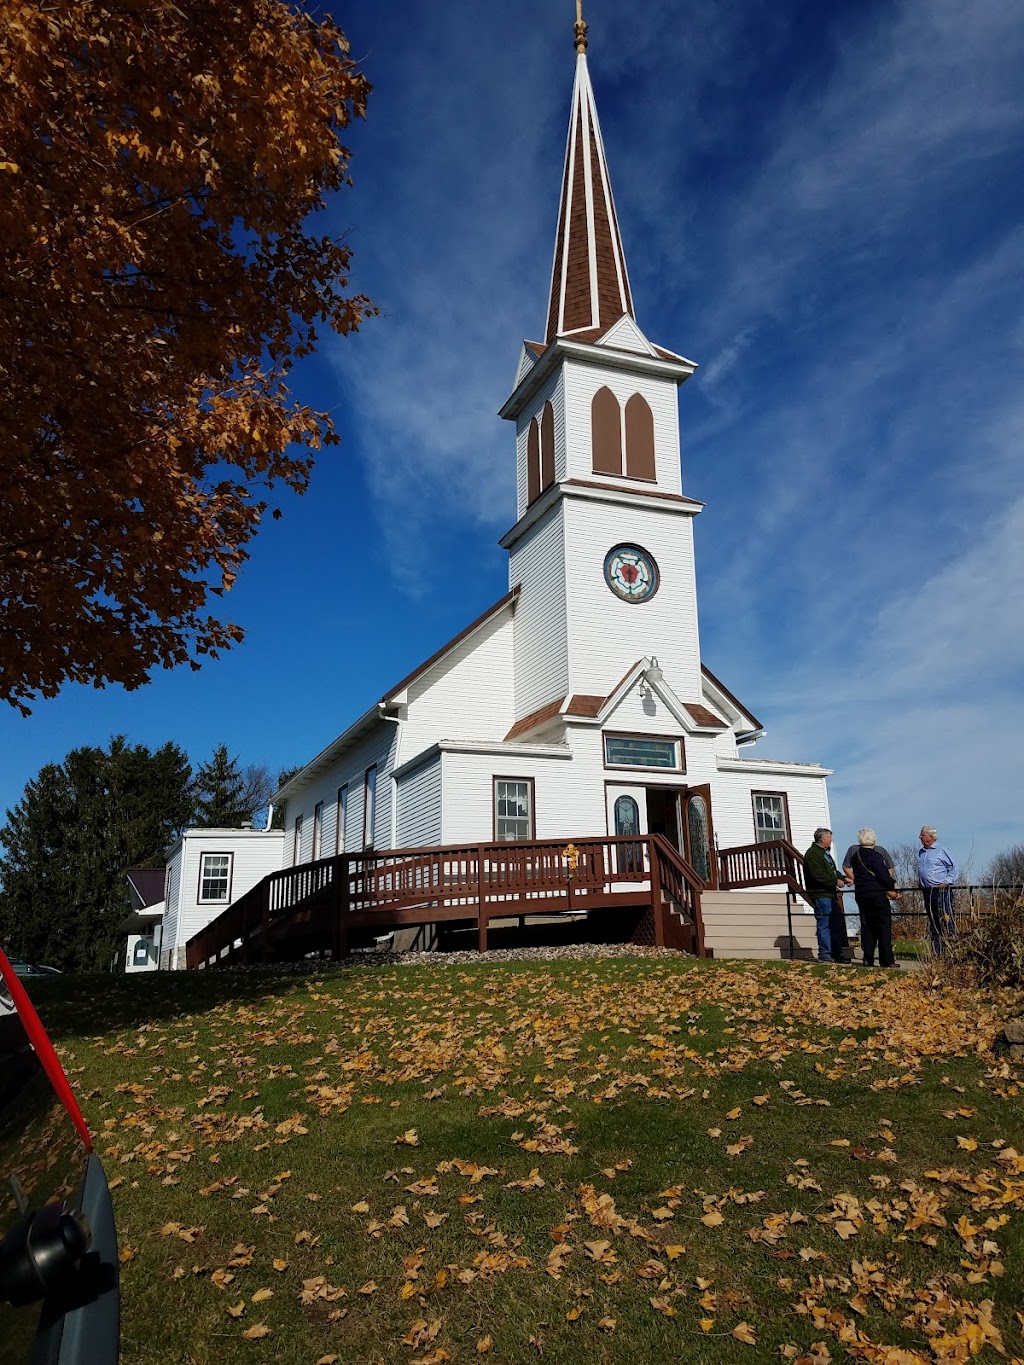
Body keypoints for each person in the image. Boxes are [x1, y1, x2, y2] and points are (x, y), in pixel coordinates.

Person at [845, 828, 899, 968]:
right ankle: (886, 960)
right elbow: (883, 876)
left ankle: (868, 958)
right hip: (876, 894)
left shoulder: (856, 856)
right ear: (873, 840)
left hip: (862, 894)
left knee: (868, 927)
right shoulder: (875, 856)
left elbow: (851, 870)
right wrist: (893, 887)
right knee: (883, 926)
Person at [803, 828, 847, 964]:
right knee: (824, 924)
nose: (831, 840)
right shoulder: (813, 854)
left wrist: (844, 879)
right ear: (822, 839)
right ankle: (825, 954)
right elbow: (818, 875)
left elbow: (833, 871)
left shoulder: (825, 854)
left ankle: (837, 953)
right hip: (821, 894)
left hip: (830, 894)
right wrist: (836, 881)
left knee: (834, 924)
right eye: (829, 837)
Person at [918, 826, 958, 956]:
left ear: (930, 836)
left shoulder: (942, 850)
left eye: (922, 835)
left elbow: (953, 867)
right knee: (933, 921)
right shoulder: (921, 852)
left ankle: (953, 950)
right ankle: (937, 952)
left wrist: (947, 881)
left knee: (946, 919)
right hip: (927, 891)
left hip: (941, 891)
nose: (920, 837)